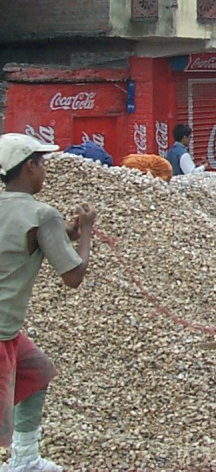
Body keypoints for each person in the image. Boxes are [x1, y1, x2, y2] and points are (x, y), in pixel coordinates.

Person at [0, 133, 96, 472]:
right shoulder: (42, 213)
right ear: (29, 167)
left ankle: (24, 458)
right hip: (0, 331)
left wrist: (65, 233)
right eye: (42, 165)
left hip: (7, 329)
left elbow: (30, 241)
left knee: (38, 373)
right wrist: (85, 231)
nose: (45, 172)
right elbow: (74, 276)